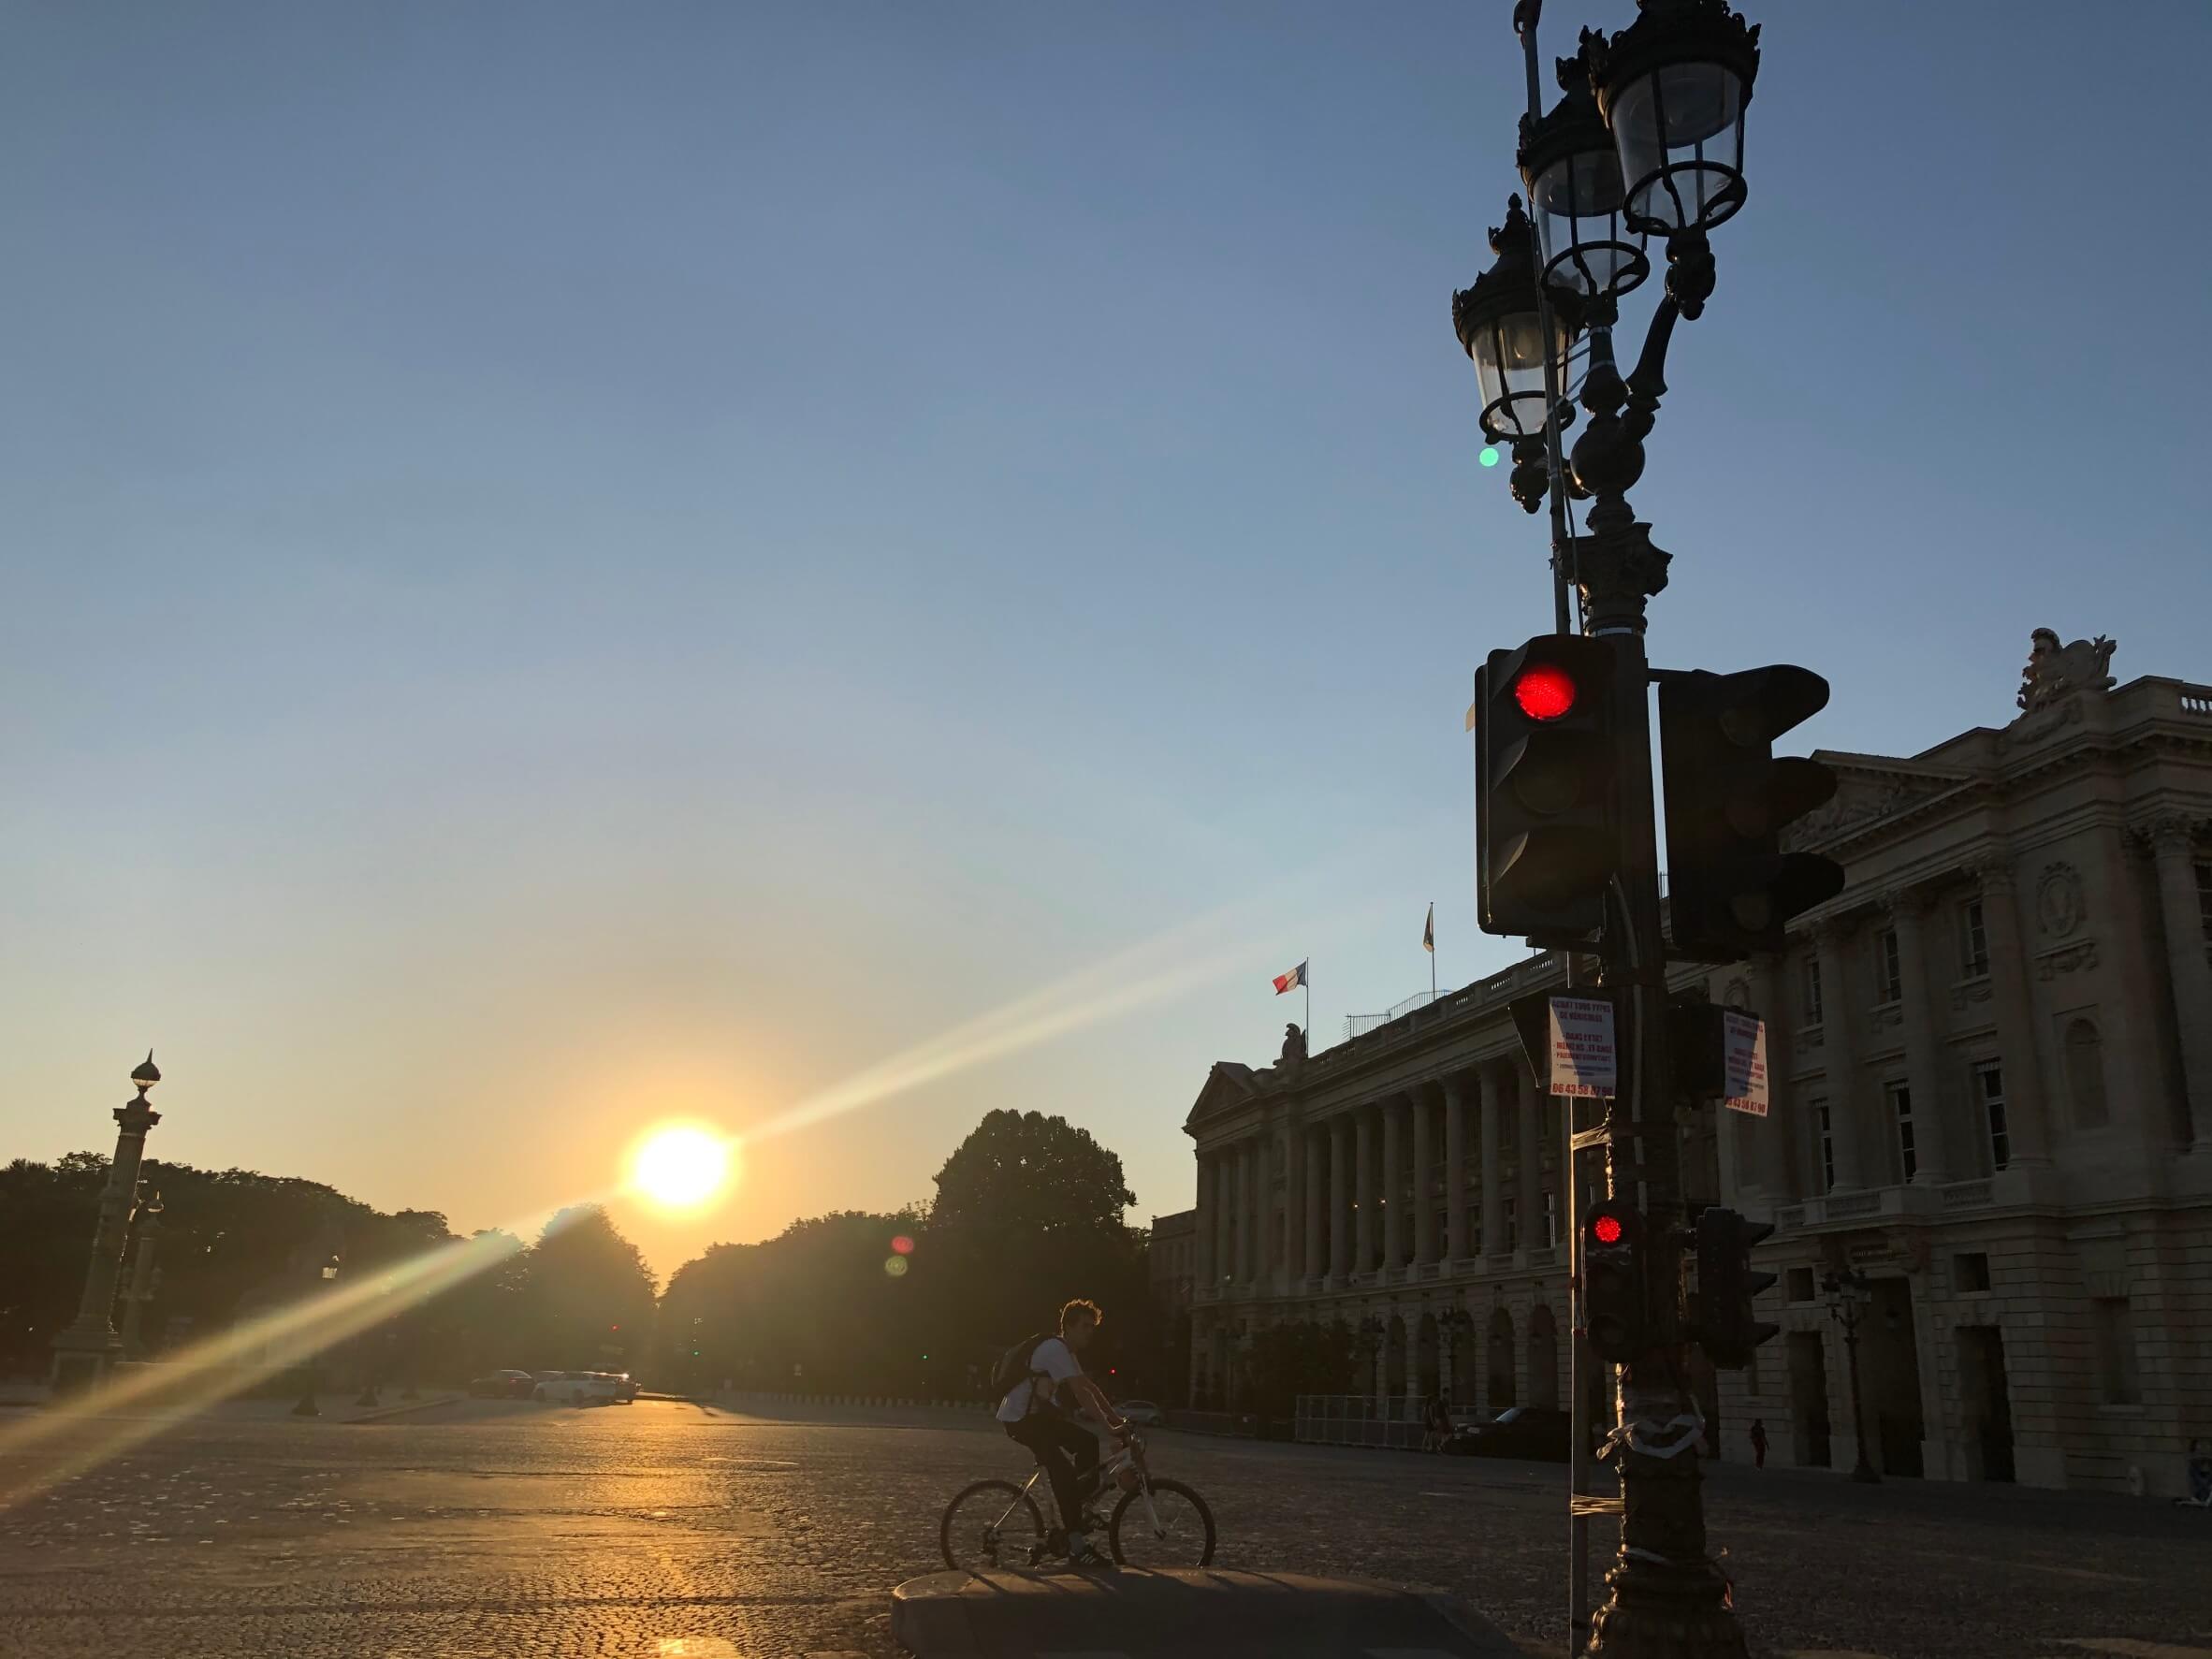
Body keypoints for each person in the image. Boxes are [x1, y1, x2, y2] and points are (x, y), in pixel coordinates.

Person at [997, 1299, 1128, 1569]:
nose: (1090, 1332)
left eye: (1093, 1327)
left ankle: (1077, 1510)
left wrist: (1117, 1420)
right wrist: (1109, 1427)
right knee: (1065, 1474)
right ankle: (1077, 1546)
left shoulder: (1067, 1352)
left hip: (1038, 1416)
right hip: (1021, 1419)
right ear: (1068, 1326)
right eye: (1085, 1326)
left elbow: (1088, 1386)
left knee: (1087, 1443)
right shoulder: (1054, 1349)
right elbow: (1080, 1392)